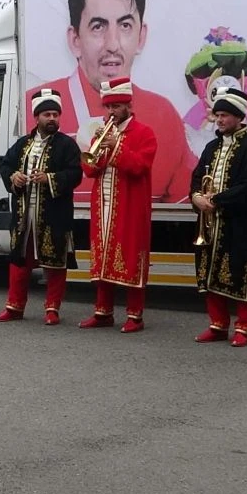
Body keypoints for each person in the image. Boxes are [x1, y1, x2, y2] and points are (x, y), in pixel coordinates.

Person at [28, 0, 198, 202]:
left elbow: (181, 200)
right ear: (75, 40)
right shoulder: (35, 106)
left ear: (141, 37)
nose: (113, 44)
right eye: (98, 26)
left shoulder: (164, 115)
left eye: (125, 25)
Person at [0, 88, 83, 325]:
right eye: (47, 115)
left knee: (55, 262)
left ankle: (52, 308)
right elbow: (5, 165)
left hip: (54, 213)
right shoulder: (22, 144)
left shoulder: (67, 145)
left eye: (55, 114)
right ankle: (14, 307)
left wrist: (50, 179)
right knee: (19, 260)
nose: (52, 118)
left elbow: (75, 174)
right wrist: (14, 177)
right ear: (37, 117)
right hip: (24, 214)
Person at [78, 77, 157, 333]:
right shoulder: (102, 132)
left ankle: (135, 315)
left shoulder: (145, 133)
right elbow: (89, 169)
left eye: (116, 107)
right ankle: (103, 312)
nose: (111, 112)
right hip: (103, 206)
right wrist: (99, 148)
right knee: (102, 258)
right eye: (107, 107)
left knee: (132, 256)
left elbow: (139, 166)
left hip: (131, 207)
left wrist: (117, 147)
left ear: (128, 105)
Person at [190, 86, 247, 346]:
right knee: (211, 272)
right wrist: (195, 197)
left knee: (241, 272)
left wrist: (216, 201)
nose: (219, 120)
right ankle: (218, 324)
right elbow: (198, 176)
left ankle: (243, 328)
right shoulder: (211, 147)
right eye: (217, 115)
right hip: (211, 223)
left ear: (239, 117)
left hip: (241, 222)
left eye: (224, 115)